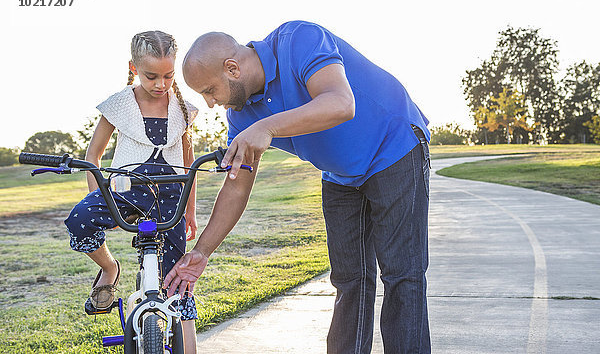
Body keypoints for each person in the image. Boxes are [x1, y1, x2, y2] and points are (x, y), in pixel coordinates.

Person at [164, 20, 431, 353]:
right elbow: (235, 188)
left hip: (394, 147)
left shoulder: (298, 39)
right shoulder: (241, 116)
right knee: (351, 281)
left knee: (401, 276)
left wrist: (268, 127)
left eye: (209, 91)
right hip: (340, 175)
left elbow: (341, 103)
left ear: (232, 68)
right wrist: (202, 252)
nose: (210, 104)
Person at [64, 30, 199, 353]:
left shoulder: (182, 108)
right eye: (152, 76)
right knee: (80, 220)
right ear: (134, 68)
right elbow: (93, 157)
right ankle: (111, 269)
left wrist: (190, 209)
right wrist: (103, 198)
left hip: (170, 197)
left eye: (168, 76)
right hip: (127, 189)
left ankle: (191, 346)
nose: (161, 84)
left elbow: (189, 164)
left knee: (178, 279)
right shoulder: (119, 105)